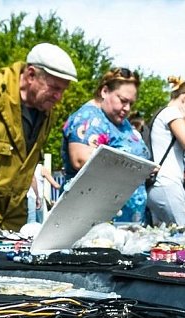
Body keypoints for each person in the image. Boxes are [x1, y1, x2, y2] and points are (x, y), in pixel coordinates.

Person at [0, 43, 76, 230]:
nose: (58, 97)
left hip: (10, 226)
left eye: (63, 90)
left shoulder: (46, 111)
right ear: (30, 75)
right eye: (54, 88)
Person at [61, 67, 150, 223]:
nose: (127, 108)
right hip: (93, 221)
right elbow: (81, 160)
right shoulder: (88, 117)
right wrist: (138, 169)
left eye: (131, 103)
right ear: (104, 91)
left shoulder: (121, 122)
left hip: (126, 221)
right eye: (122, 101)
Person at [145, 77, 185, 227]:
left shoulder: (161, 113)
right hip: (167, 183)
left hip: (159, 184)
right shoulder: (171, 113)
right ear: (184, 97)